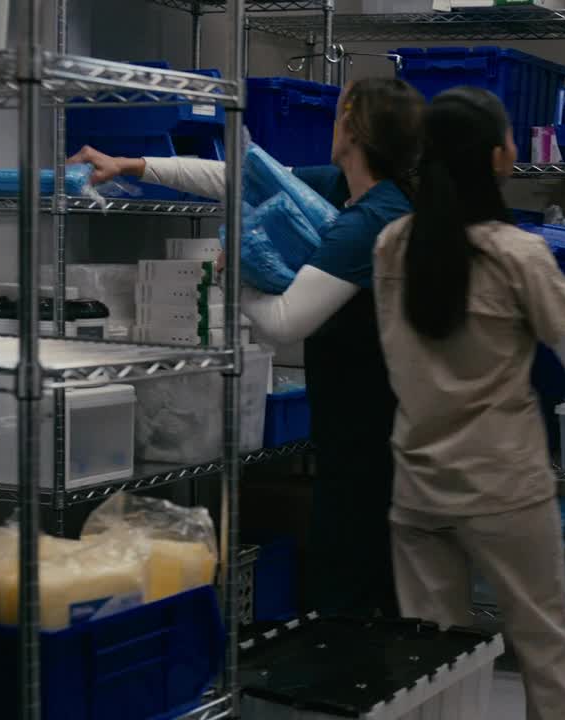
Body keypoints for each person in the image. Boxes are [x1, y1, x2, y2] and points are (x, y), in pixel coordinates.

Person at [69, 77, 425, 619]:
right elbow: (238, 178)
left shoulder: (370, 221)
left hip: (373, 423)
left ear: (353, 129)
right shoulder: (346, 190)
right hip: (360, 413)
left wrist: (233, 272)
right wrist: (130, 165)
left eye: (339, 113)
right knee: (362, 559)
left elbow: (284, 324)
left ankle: (354, 653)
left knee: (353, 571)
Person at [372, 86, 565, 720]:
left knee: (433, 665)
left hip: (418, 486)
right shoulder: (518, 253)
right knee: (545, 649)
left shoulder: (392, 244)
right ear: (498, 157)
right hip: (504, 487)